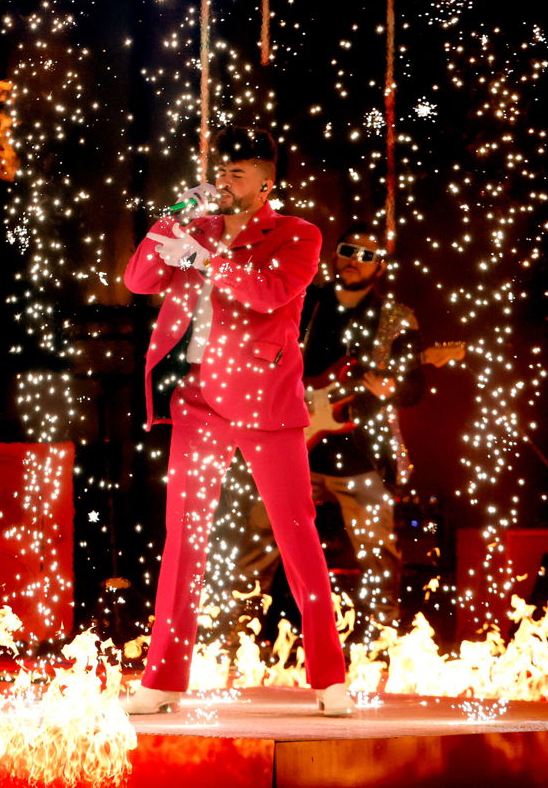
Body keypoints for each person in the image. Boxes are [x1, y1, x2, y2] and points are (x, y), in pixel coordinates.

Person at [121, 126, 353, 715]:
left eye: (238, 173)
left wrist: (208, 257)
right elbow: (138, 280)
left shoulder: (298, 233)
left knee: (296, 532)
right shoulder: (193, 227)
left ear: (266, 181)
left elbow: (270, 293)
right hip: (198, 402)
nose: (225, 182)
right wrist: (169, 221)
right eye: (221, 171)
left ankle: (329, 676)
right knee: (183, 537)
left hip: (265, 401)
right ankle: (163, 678)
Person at [231, 222, 430, 637]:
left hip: (360, 455)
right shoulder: (304, 302)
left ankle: (380, 642)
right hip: (290, 448)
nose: (356, 260)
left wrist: (392, 385)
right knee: (256, 547)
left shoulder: (395, 318)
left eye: (368, 255)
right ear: (334, 254)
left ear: (381, 266)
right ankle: (238, 640)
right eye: (348, 250)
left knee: (378, 555)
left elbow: (414, 388)